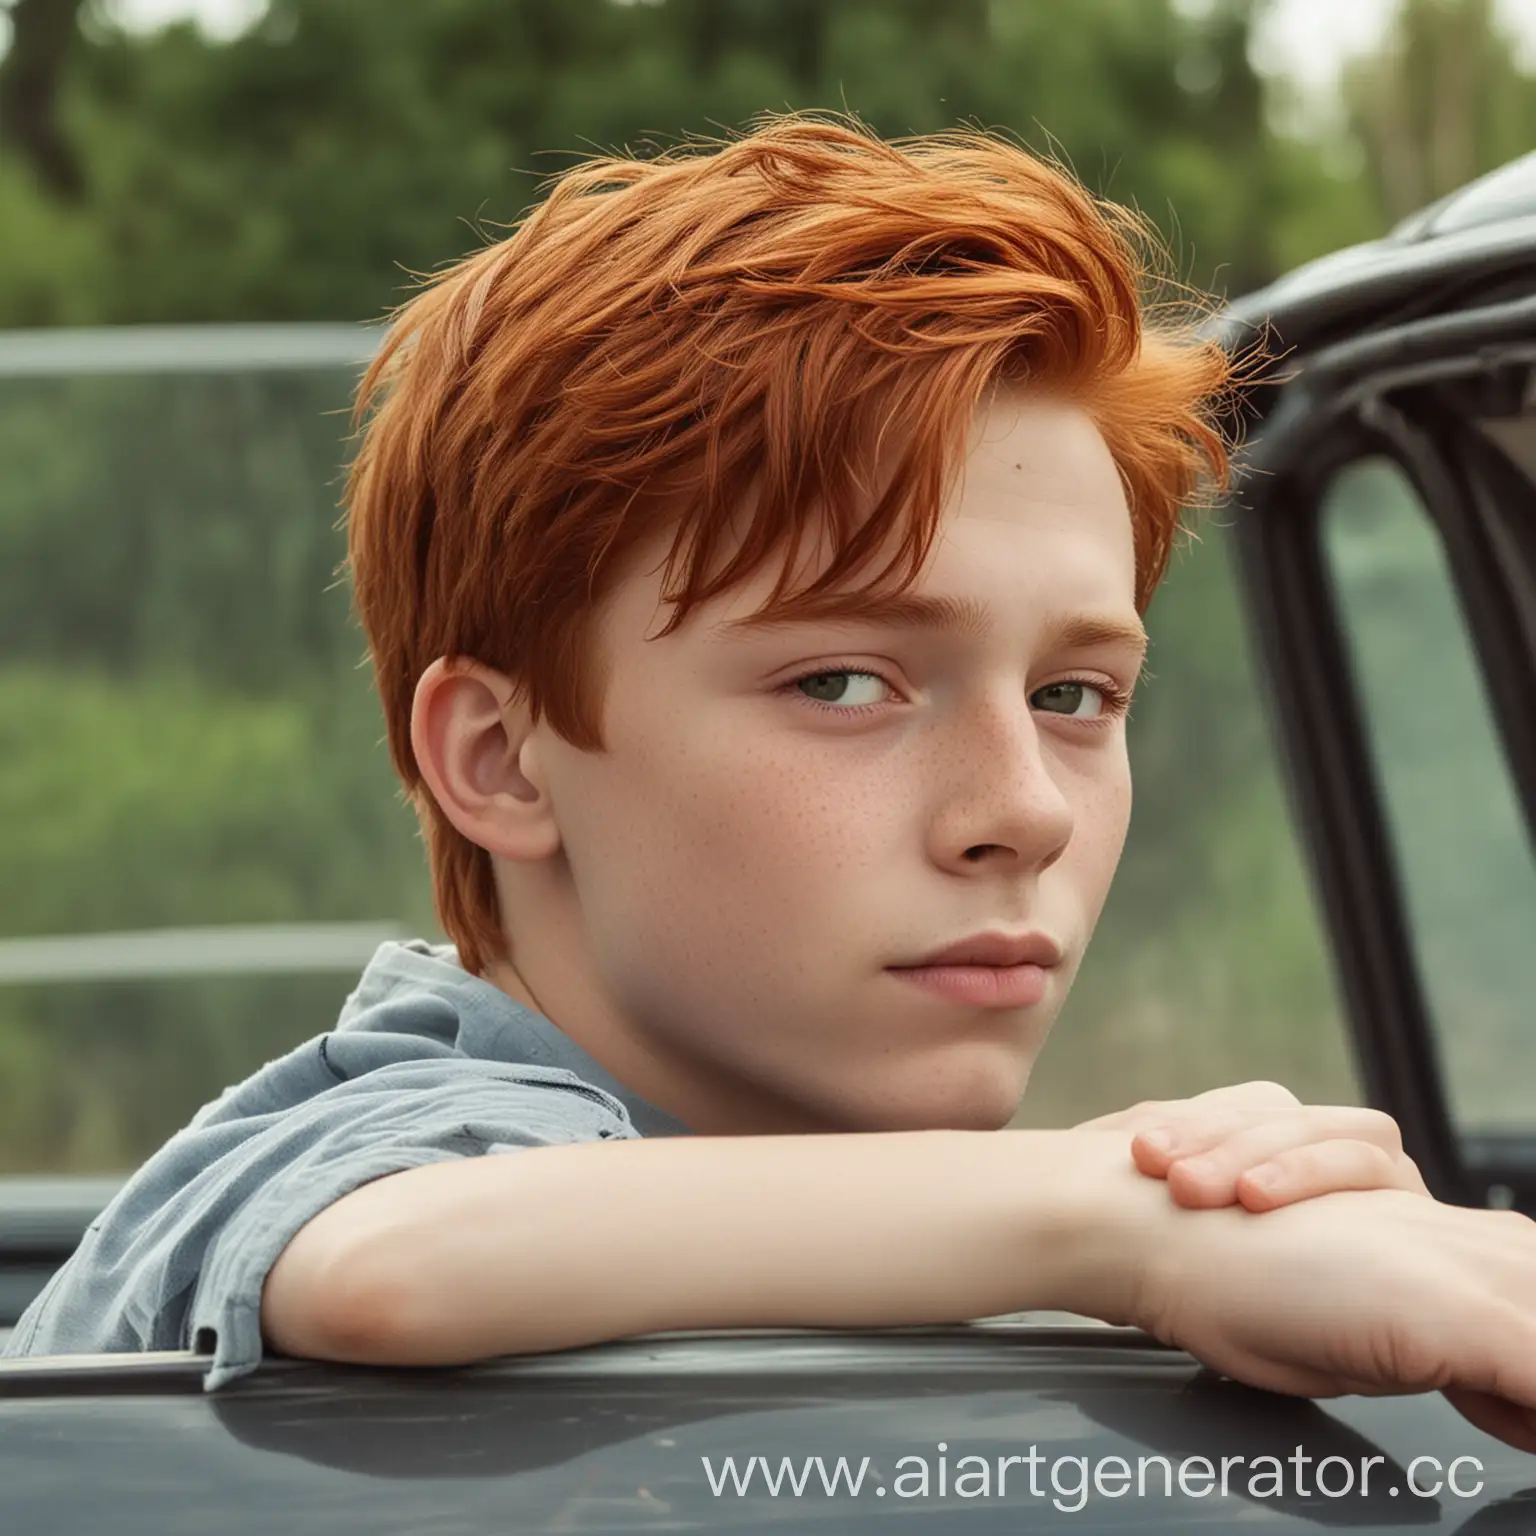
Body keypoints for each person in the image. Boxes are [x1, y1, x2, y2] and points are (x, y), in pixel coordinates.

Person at [7, 113, 1536, 1455]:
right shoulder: (372, 1135)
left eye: (1076, 694)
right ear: (500, 758)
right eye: (843, 682)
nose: (1028, 807)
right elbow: (388, 1253)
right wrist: (1122, 1228)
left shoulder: (806, 1220)